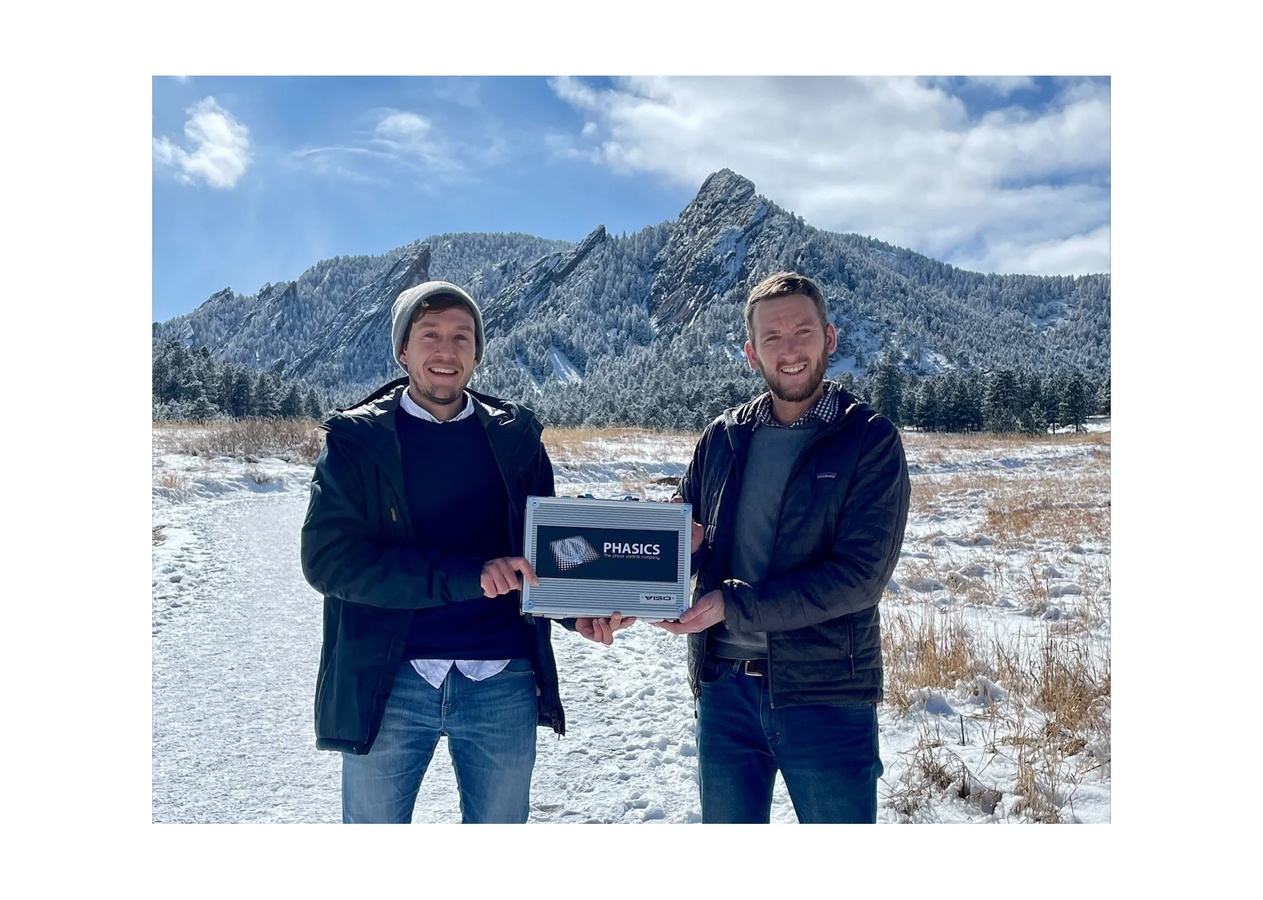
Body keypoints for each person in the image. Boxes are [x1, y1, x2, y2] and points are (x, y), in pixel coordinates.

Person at [299, 280, 629, 824]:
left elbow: (542, 552)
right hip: (391, 679)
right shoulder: (358, 444)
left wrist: (579, 611)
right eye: (429, 335)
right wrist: (466, 577)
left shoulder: (516, 438)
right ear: (403, 349)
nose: (446, 350)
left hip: (501, 679)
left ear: (477, 351)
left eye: (461, 336)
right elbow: (329, 561)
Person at [655, 271, 910, 823]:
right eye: (772, 338)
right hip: (725, 690)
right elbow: (679, 538)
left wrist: (733, 604)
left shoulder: (869, 440)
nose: (789, 350)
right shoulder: (722, 437)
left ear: (831, 337)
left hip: (826, 694)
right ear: (752, 352)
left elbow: (860, 577)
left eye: (803, 332)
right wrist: (637, 586)